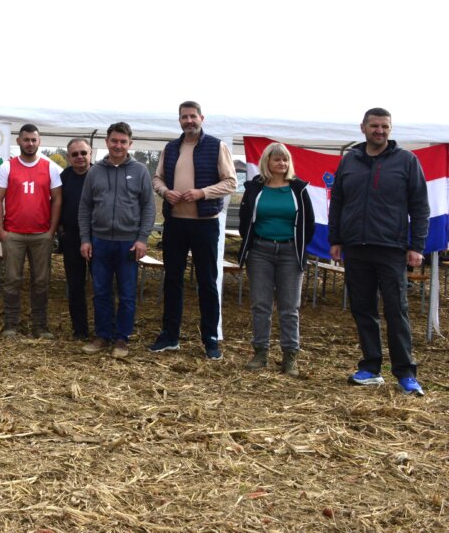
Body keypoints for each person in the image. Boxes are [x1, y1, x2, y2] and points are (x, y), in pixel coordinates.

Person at [329, 107, 429, 395]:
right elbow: (337, 202)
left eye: (385, 126)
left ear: (390, 129)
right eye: (374, 126)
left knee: (397, 310)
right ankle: (371, 367)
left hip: (391, 248)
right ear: (363, 128)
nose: (380, 131)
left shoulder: (407, 161)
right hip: (355, 248)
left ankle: (406, 374)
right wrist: (336, 239)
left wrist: (416, 246)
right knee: (363, 310)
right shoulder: (350, 161)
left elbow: (420, 206)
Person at [151, 101, 237, 359]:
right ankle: (170, 335)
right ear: (179, 121)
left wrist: (202, 192)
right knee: (173, 281)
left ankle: (210, 339)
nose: (188, 121)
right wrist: (166, 192)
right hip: (175, 223)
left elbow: (231, 181)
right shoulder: (171, 148)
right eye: (184, 117)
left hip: (205, 224)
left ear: (201, 118)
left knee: (207, 282)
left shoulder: (216, 145)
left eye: (192, 116)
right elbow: (157, 179)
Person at [237, 142, 315, 376]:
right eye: (276, 159)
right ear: (267, 163)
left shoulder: (298, 189)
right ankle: (260, 352)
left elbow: (308, 223)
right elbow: (244, 220)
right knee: (260, 305)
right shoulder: (254, 188)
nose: (281, 164)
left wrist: (298, 246)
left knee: (289, 307)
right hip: (260, 251)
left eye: (285, 160)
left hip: (290, 253)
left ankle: (290, 356)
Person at [78, 123, 156, 358]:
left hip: (128, 243)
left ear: (130, 144)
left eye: (123, 142)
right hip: (100, 241)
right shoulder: (95, 171)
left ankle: (122, 338)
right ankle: (102, 335)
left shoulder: (140, 171)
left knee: (127, 293)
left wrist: (142, 239)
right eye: (114, 141)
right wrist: (85, 239)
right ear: (107, 142)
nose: (118, 145)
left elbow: (148, 208)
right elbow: (85, 207)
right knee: (100, 291)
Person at [0, 124, 62, 338]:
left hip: (41, 235)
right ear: (19, 141)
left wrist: (52, 230)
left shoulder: (50, 167)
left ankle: (40, 325)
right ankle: (11, 323)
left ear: (39, 142)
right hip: (13, 235)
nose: (30, 144)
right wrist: (1, 231)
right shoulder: (7, 167)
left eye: (34, 140)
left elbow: (58, 198)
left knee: (41, 281)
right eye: (26, 139)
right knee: (12, 279)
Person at [58, 138, 93, 340]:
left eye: (83, 153)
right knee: (75, 285)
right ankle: (80, 330)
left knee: (101, 286)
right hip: (72, 238)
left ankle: (104, 330)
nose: (79, 157)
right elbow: (56, 203)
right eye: (74, 154)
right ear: (68, 157)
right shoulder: (64, 177)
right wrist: (61, 230)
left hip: (98, 238)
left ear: (90, 154)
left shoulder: (100, 174)